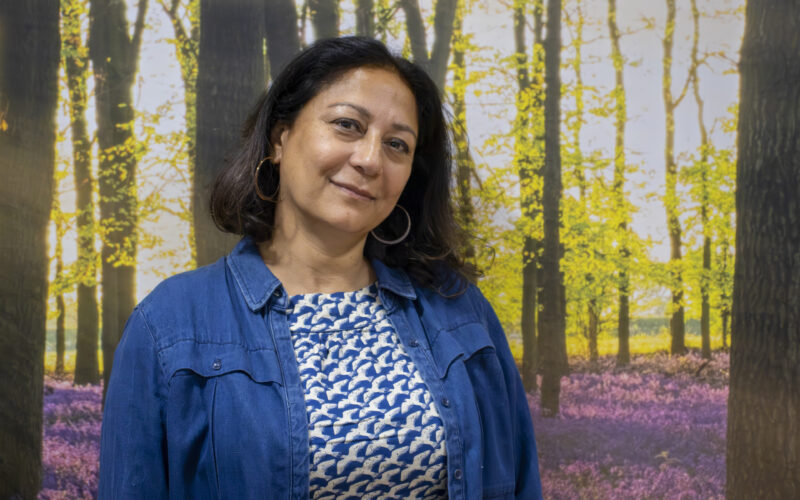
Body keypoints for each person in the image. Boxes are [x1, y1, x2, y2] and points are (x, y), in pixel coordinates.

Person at [99, 36, 543, 500]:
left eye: (397, 144)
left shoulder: (460, 311)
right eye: (348, 125)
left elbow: (520, 483)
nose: (371, 160)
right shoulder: (170, 324)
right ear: (279, 137)